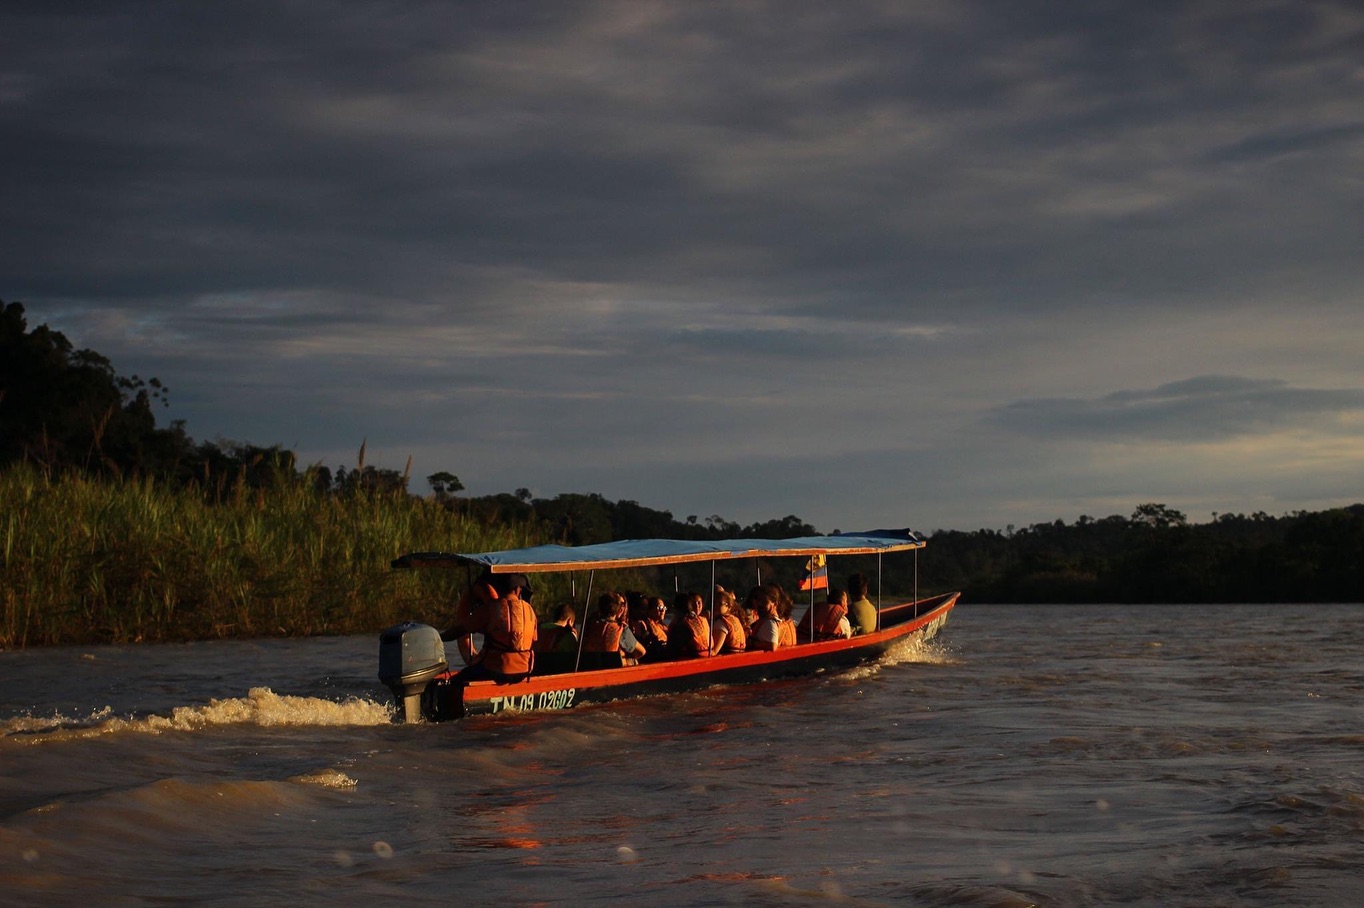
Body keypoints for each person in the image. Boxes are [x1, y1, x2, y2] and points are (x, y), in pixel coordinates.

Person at [455, 573, 538, 684]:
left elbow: (462, 629)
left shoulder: (490, 608)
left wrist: (441, 637)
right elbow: (534, 639)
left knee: (456, 680)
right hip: (524, 671)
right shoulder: (530, 610)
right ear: (518, 590)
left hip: (495, 671)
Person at [442, 570, 499, 665]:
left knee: (457, 679)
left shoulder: (490, 610)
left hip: (495, 668)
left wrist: (438, 638)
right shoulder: (526, 611)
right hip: (522, 665)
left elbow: (460, 630)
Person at [583, 591, 646, 664]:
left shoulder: (590, 626)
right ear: (620, 610)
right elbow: (641, 652)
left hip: (591, 668)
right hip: (613, 671)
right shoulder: (620, 629)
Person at [667, 591, 710, 659]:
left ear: (676, 608)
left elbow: (672, 650)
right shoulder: (702, 620)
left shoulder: (680, 625)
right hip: (706, 656)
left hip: (689, 660)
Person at [709, 586, 747, 655]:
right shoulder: (735, 619)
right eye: (714, 603)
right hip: (740, 657)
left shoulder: (721, 623)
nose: (715, 606)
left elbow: (714, 651)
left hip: (728, 660)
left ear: (729, 607)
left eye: (720, 604)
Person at [748, 586, 782, 651]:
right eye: (759, 601)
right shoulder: (777, 621)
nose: (760, 604)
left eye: (764, 602)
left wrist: (752, 643)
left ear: (775, 604)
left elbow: (772, 646)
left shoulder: (770, 623)